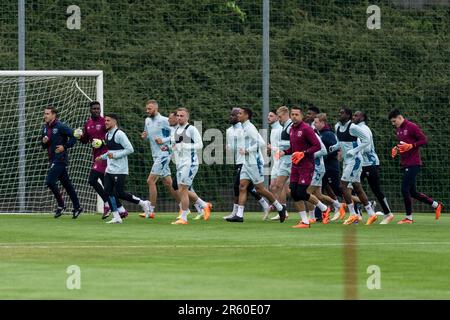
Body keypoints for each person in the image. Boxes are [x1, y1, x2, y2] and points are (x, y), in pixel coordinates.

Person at [225, 107, 287, 223]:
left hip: (254, 162)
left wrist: (248, 150)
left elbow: (261, 143)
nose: (238, 115)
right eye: (237, 113)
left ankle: (279, 207)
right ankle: (239, 215)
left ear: (247, 116)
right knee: (242, 187)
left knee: (260, 189)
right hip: (245, 162)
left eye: (240, 113)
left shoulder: (250, 127)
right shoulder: (243, 127)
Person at [275, 106, 331, 228]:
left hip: (307, 165)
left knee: (301, 192)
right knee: (294, 193)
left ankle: (324, 208)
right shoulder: (292, 130)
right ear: (290, 116)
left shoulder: (306, 129)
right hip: (295, 166)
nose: (294, 116)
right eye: (293, 114)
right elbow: (293, 148)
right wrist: (284, 152)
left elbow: (317, 146)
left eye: (297, 114)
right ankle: (305, 221)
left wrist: (304, 153)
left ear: (301, 116)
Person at [74, 101, 128, 219]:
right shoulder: (88, 123)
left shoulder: (105, 122)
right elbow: (85, 140)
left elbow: (113, 136)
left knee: (92, 180)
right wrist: (79, 137)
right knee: (106, 184)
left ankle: (107, 204)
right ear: (90, 110)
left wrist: (102, 142)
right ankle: (120, 209)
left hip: (106, 156)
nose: (96, 110)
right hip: (97, 156)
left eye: (98, 108)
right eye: (94, 109)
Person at [388, 109, 443, 224]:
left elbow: (424, 140)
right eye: (392, 122)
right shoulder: (399, 130)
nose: (393, 124)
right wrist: (396, 148)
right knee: (412, 192)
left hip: (414, 163)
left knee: (404, 189)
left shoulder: (412, 126)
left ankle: (409, 218)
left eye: (394, 121)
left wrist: (412, 145)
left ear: (399, 117)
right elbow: (403, 145)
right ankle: (436, 205)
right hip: (406, 163)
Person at [95, 113, 151, 224]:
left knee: (120, 193)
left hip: (120, 169)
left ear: (115, 122)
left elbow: (130, 149)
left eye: (108, 120)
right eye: (105, 120)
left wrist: (115, 156)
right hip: (109, 169)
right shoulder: (107, 135)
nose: (106, 122)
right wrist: (101, 157)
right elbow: (110, 152)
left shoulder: (119, 134)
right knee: (108, 192)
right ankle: (117, 217)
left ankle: (143, 203)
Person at [329, 107, 377, 225]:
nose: (340, 114)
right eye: (339, 112)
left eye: (342, 113)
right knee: (357, 186)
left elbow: (367, 140)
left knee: (343, 185)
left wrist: (355, 150)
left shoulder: (353, 127)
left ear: (348, 115)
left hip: (355, 160)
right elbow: (341, 142)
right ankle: (371, 214)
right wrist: (335, 147)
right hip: (347, 161)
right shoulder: (337, 126)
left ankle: (353, 214)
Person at [223, 108, 270, 220]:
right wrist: (229, 148)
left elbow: (258, 143)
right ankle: (266, 205)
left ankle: (236, 213)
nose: (233, 117)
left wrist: (248, 151)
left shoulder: (244, 128)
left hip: (246, 161)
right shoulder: (229, 130)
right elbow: (234, 147)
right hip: (239, 160)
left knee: (239, 186)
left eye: (235, 115)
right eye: (232, 115)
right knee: (248, 188)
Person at [140, 100, 180, 218]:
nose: (147, 111)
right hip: (155, 155)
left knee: (150, 181)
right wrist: (144, 136)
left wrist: (164, 140)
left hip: (164, 154)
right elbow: (148, 135)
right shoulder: (147, 120)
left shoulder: (164, 120)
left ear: (156, 109)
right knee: (168, 183)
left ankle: (150, 210)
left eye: (150, 109)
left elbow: (176, 133)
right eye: (147, 109)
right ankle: (186, 207)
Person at [41, 106, 83, 219]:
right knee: (67, 184)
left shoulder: (61, 126)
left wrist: (65, 147)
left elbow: (75, 136)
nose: (45, 115)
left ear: (54, 115)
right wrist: (44, 142)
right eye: (44, 113)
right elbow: (44, 146)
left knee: (50, 181)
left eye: (47, 114)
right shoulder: (45, 128)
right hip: (52, 159)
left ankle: (61, 205)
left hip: (60, 159)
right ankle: (77, 207)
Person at [352, 111, 394, 224]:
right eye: (353, 115)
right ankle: (357, 215)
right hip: (361, 164)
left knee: (376, 190)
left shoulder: (364, 129)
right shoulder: (355, 128)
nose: (354, 117)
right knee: (353, 188)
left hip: (370, 164)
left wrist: (354, 149)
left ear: (362, 117)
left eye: (356, 115)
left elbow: (367, 148)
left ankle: (388, 214)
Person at [170, 108, 205, 225]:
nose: (179, 117)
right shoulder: (176, 130)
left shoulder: (191, 129)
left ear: (187, 117)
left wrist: (186, 146)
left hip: (190, 163)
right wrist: (170, 148)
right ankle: (204, 205)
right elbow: (176, 146)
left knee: (183, 190)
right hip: (180, 164)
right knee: (181, 190)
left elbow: (200, 144)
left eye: (182, 116)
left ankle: (184, 218)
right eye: (178, 115)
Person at [313, 113, 345, 221]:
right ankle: (319, 215)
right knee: (318, 192)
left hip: (331, 167)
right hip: (323, 168)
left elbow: (335, 149)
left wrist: (324, 157)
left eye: (316, 122)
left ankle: (358, 204)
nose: (314, 124)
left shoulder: (328, 134)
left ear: (322, 123)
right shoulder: (320, 134)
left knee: (339, 190)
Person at [269, 106, 292, 221]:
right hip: (277, 161)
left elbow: (283, 147)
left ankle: (283, 210)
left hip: (283, 161)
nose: (269, 118)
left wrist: (272, 148)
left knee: (280, 186)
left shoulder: (280, 129)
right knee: (275, 186)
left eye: (272, 116)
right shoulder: (278, 129)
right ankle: (282, 209)